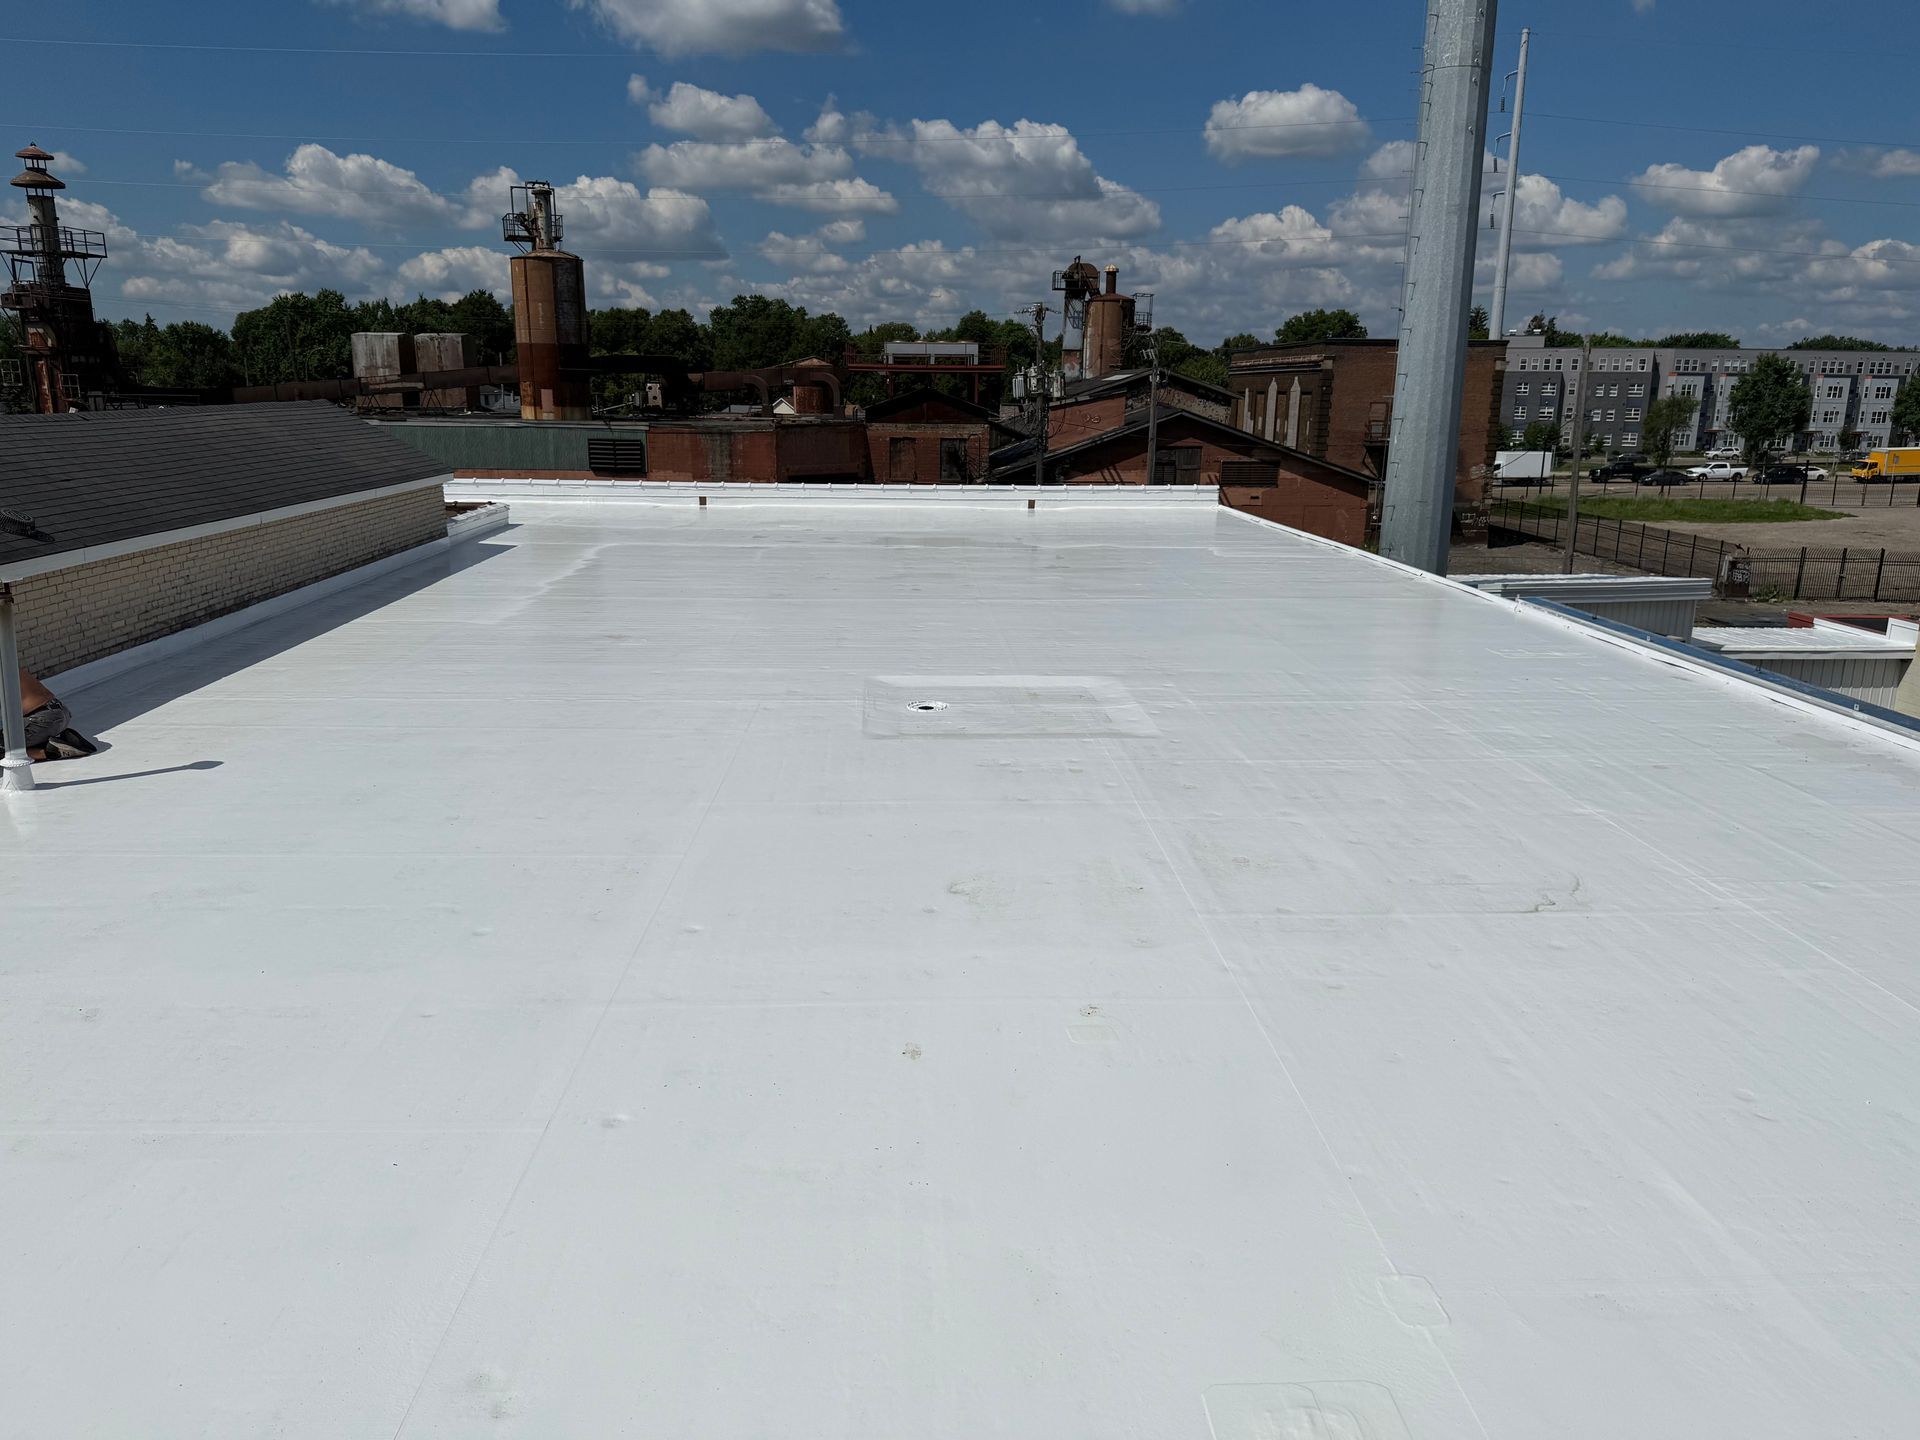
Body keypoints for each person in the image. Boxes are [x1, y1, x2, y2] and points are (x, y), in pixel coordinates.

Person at [15, 668, 94, 762]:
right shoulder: (10, 665)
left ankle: (52, 751)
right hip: (59, 711)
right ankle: (59, 742)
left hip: (42, 720)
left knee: (7, 749)